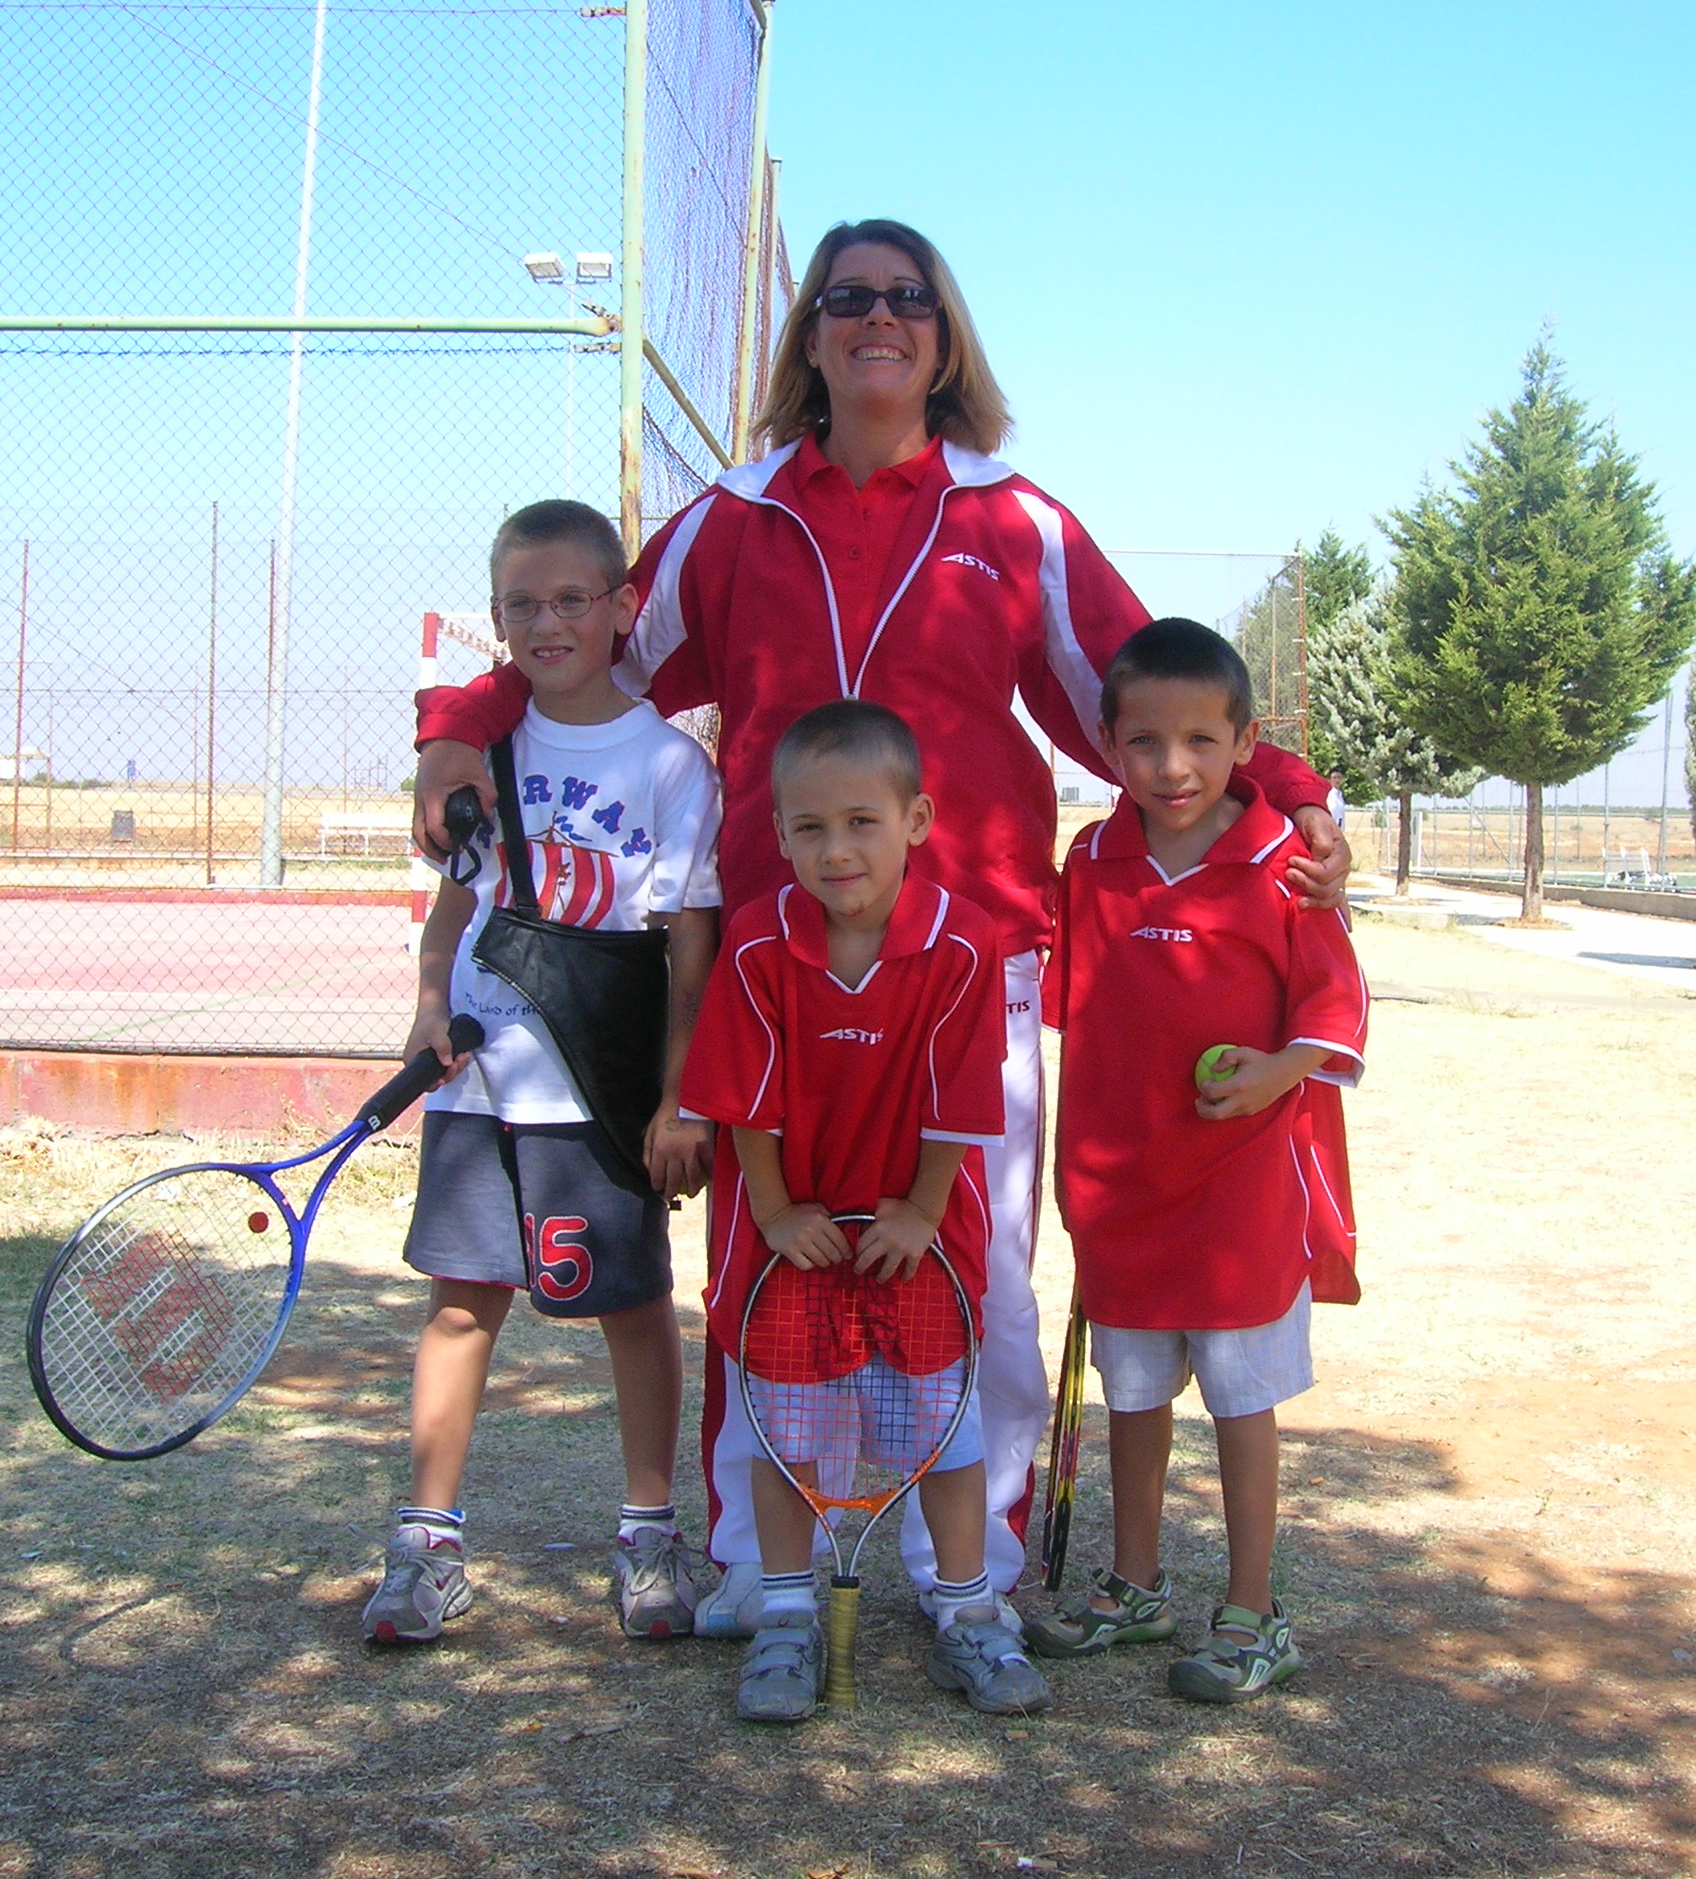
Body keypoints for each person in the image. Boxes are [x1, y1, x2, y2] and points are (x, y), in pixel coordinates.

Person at [408, 219, 1352, 1627]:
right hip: (773, 970)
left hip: (975, 964)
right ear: (810, 332)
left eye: (909, 297)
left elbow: (1151, 698)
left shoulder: (1015, 521)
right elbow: (586, 648)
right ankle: (759, 1563)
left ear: (945, 334)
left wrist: (1294, 791)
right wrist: (456, 727)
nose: (879, 318)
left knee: (980, 1274)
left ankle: (969, 1571)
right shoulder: (736, 517)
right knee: (767, 1263)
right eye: (847, 297)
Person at [364, 500, 723, 1647]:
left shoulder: (671, 763)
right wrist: (430, 1008)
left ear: (622, 608)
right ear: (497, 615)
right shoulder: (485, 752)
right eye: (521, 604)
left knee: (633, 1310)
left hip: (597, 1092)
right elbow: (454, 905)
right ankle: (427, 1546)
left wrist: (678, 1095)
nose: (547, 623)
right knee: (459, 1305)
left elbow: (690, 945)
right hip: (480, 1086)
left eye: (572, 600)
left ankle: (648, 1536)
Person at [679, 699, 1050, 1721]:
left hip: (918, 1242)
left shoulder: (965, 945)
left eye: (861, 823)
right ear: (778, 832)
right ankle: (785, 1615)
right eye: (809, 827)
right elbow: (743, 1102)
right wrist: (774, 1211)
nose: (835, 850)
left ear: (917, 820)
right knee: (785, 1434)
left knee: (945, 1434)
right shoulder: (755, 945)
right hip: (791, 1243)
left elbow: (960, 1102)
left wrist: (922, 1212)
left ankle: (968, 1611)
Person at [1025, 620, 1368, 1703]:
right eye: (1144, 743)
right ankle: (1135, 1587)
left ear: (1246, 743)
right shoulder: (1092, 862)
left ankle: (1254, 1613)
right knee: (1132, 1399)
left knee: (1238, 1402)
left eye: (1201, 742)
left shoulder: (1283, 865)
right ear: (1107, 746)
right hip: (1119, 1191)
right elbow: (1060, 1001)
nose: (1171, 767)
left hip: (1239, 1195)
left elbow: (1335, 1008)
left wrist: (1278, 1074)